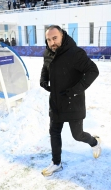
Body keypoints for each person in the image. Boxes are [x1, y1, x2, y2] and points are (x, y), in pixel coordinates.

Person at [40, 25, 101, 177]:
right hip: (55, 102)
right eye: (49, 39)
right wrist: (43, 79)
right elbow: (46, 67)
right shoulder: (48, 52)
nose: (52, 42)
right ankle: (56, 163)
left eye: (55, 38)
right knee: (54, 132)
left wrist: (75, 90)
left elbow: (93, 71)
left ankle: (94, 142)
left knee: (77, 135)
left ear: (62, 36)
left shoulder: (75, 53)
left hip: (72, 102)